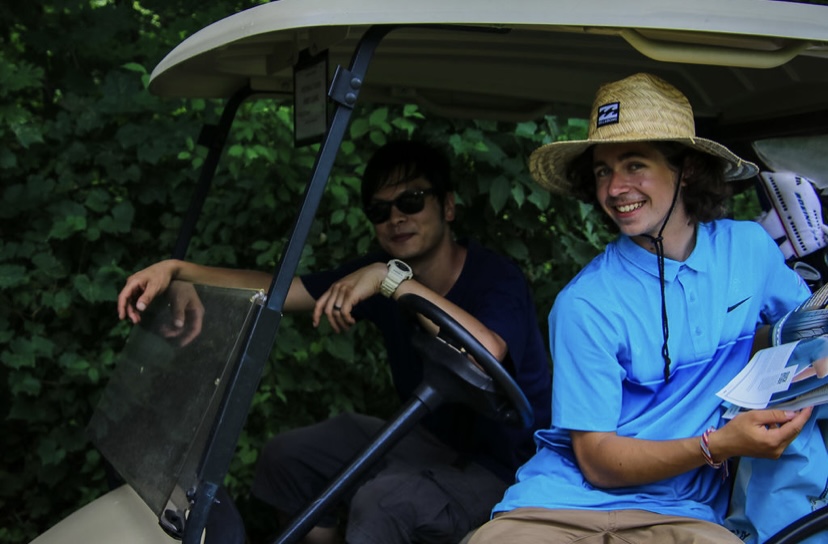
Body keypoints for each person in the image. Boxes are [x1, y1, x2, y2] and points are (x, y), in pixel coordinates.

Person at [117, 140, 552, 544]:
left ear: (448, 206)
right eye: (379, 210)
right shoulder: (383, 272)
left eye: (411, 201)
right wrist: (180, 271)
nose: (396, 218)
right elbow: (283, 290)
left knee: (383, 504)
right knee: (287, 457)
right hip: (429, 442)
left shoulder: (493, 279)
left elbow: (484, 352)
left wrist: (390, 282)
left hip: (507, 467)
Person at [469, 72, 820, 544]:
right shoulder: (585, 302)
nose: (615, 188)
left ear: (686, 169)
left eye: (634, 165)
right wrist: (718, 444)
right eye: (602, 171)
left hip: (684, 514)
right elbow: (597, 462)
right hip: (559, 506)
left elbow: (803, 331)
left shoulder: (749, 249)